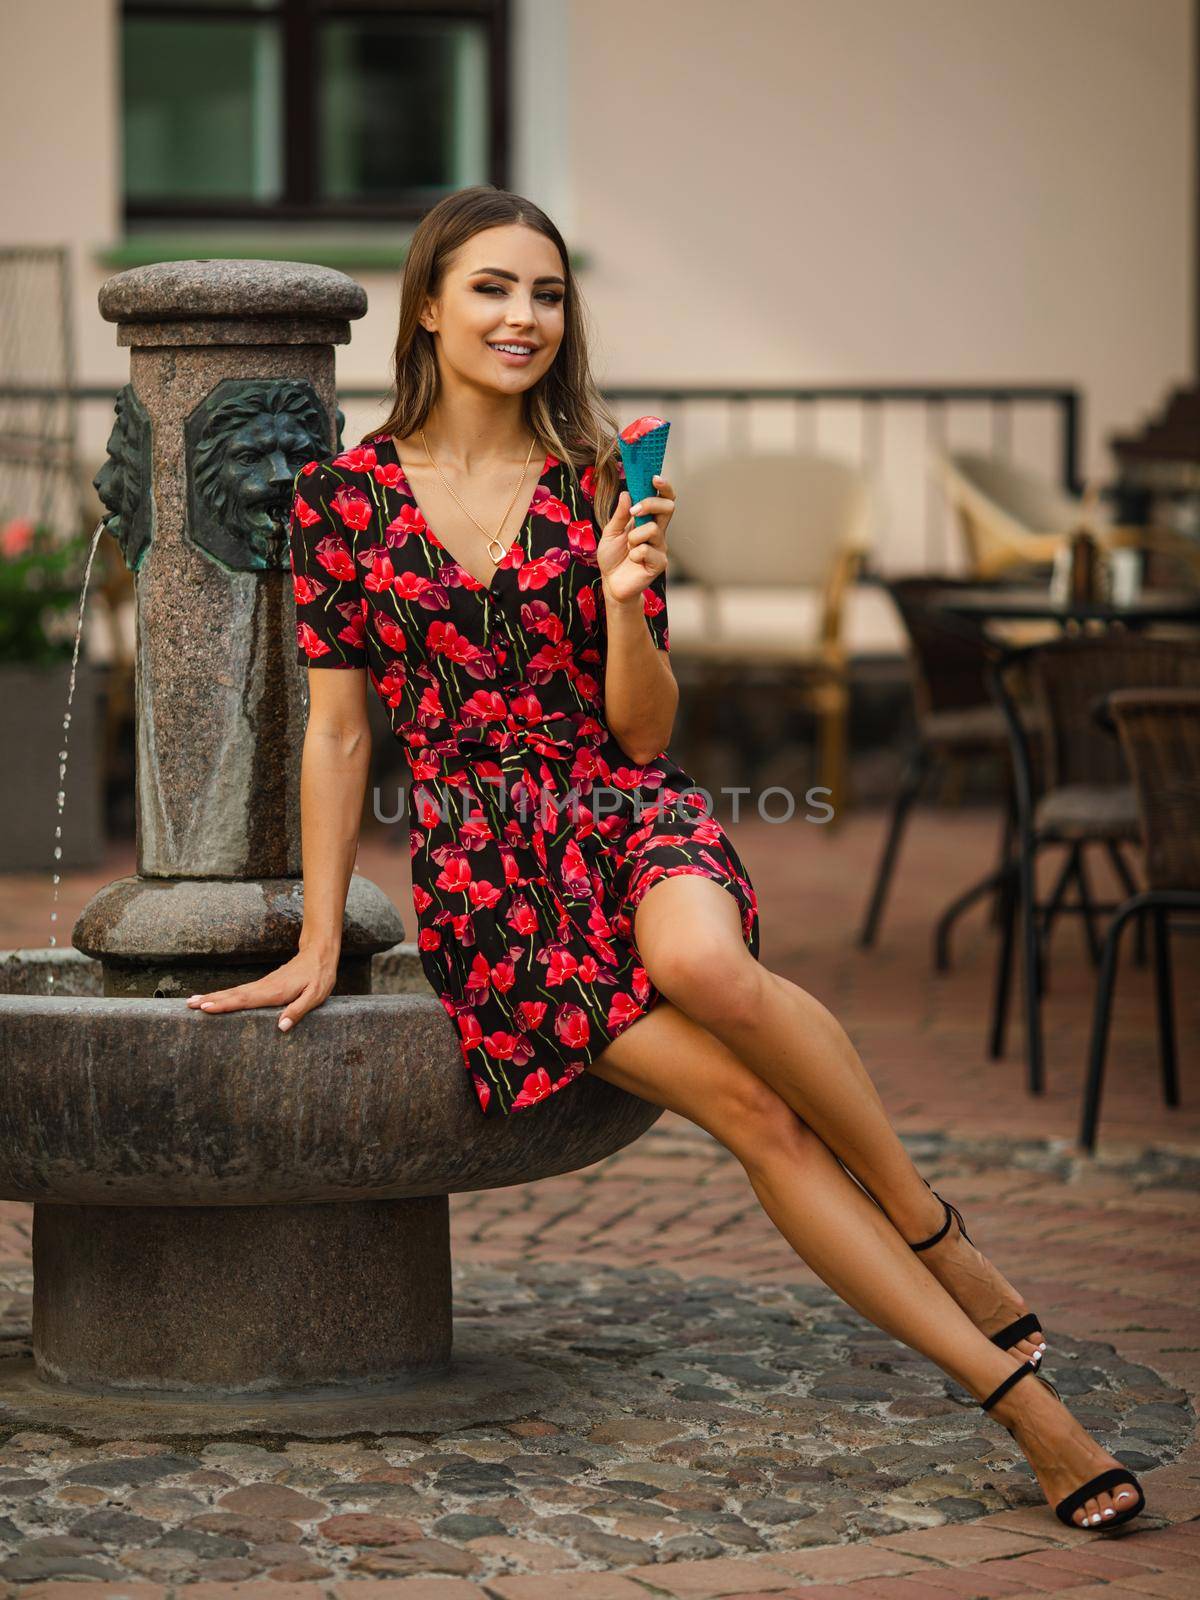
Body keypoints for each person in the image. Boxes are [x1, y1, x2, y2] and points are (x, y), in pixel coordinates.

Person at [187, 186, 1143, 1534]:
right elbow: (338, 736)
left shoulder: (601, 476)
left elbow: (645, 727)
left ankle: (930, 1224)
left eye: (549, 294)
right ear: (427, 306)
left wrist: (630, 601)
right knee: (756, 1118)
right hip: (491, 883)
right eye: (495, 289)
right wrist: (325, 931)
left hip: (626, 810)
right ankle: (1023, 1406)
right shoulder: (342, 502)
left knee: (701, 955)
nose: (525, 318)